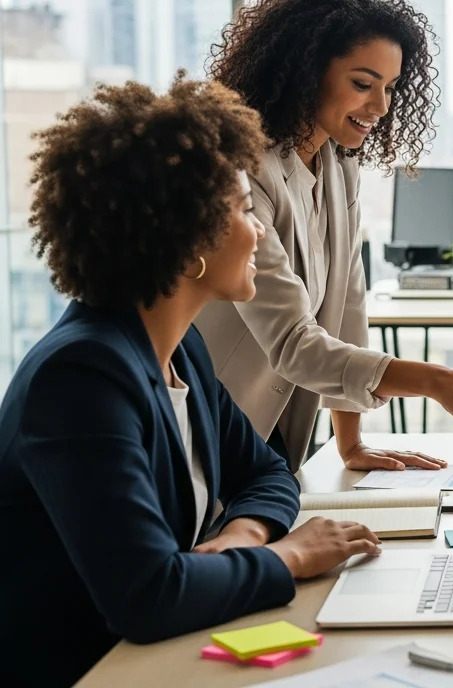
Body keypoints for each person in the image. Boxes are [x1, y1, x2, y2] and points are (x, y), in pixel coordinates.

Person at [0, 79, 383, 688]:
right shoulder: (79, 379)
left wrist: (244, 534)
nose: (257, 230)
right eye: (239, 210)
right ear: (186, 239)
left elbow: (267, 472)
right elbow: (147, 594)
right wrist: (290, 554)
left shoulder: (182, 351)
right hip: (90, 671)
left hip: (162, 658)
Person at [201, 0, 453, 472]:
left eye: (391, 88)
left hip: (277, 443)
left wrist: (350, 444)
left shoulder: (339, 163)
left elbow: (348, 304)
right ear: (307, 71)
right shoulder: (248, 170)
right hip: (217, 429)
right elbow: (293, 342)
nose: (380, 106)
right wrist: (435, 381)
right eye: (362, 84)